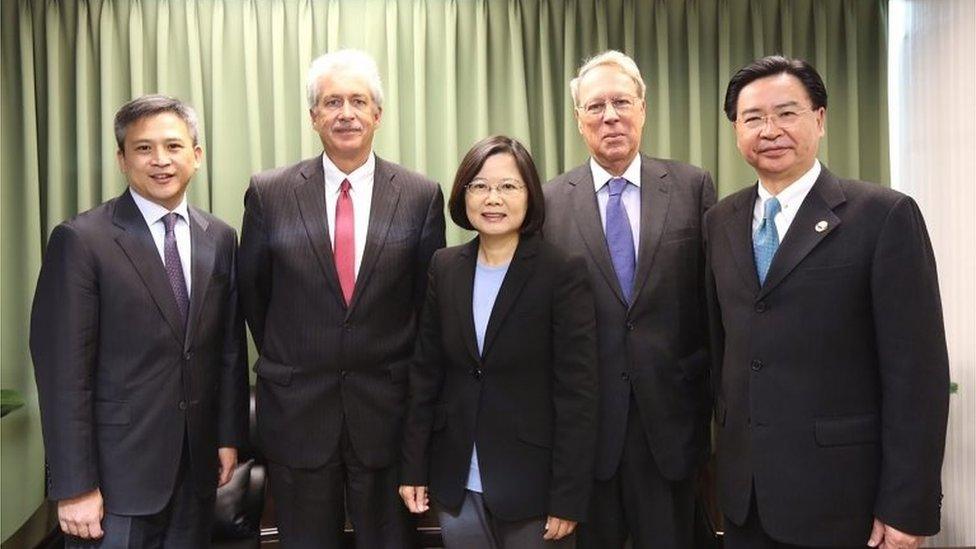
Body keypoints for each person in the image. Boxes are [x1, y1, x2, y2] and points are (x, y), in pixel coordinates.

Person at [705, 55, 950, 549]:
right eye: (753, 118)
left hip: (843, 501)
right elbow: (721, 350)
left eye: (786, 112)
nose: (769, 129)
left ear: (819, 119)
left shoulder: (883, 216)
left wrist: (907, 507)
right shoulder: (720, 222)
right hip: (745, 500)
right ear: (736, 131)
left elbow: (917, 374)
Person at [238, 49, 445, 548]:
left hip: (387, 415)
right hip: (298, 411)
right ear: (313, 117)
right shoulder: (269, 193)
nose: (345, 113)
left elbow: (429, 305)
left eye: (358, 101)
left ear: (378, 114)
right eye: (332, 102)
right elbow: (254, 295)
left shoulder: (420, 195)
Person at [30, 94, 249, 547]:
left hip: (195, 473)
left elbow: (226, 351)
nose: (160, 160)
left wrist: (228, 437)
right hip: (114, 483)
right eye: (143, 148)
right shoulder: (82, 240)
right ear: (122, 158)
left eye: (173, 146)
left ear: (197, 155)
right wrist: (74, 485)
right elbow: (62, 373)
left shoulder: (219, 238)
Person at [543, 50, 716, 548]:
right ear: (579, 120)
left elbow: (711, 302)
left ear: (642, 107)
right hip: (586, 430)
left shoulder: (691, 186)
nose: (610, 116)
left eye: (621, 101)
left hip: (671, 422)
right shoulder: (550, 201)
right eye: (595, 106)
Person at [399, 135, 598, 548]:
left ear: (530, 196)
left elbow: (578, 394)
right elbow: (426, 374)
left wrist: (568, 495)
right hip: (458, 483)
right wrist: (413, 468)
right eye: (480, 186)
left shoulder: (560, 271)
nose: (493, 198)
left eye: (508, 186)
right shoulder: (445, 266)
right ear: (464, 194)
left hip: (535, 488)